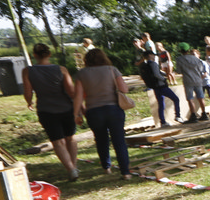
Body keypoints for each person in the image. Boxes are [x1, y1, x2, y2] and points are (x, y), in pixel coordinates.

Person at [22, 43, 80, 180]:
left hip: (46, 110)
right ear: (49, 54)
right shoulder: (62, 69)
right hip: (66, 108)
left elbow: (28, 91)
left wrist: (29, 102)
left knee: (57, 141)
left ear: (34, 55)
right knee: (70, 138)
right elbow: (71, 91)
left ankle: (70, 169)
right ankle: (74, 165)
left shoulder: (27, 71)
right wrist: (78, 107)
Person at [74, 48, 133, 179]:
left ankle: (107, 167)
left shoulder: (81, 74)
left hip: (94, 111)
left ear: (86, 60)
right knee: (119, 140)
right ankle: (125, 172)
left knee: (101, 140)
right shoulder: (112, 70)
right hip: (114, 109)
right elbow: (124, 89)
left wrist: (77, 113)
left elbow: (78, 96)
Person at [139, 48, 182, 126]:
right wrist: (164, 79)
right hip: (161, 85)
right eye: (153, 55)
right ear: (150, 55)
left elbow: (144, 76)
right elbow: (156, 74)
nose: (154, 57)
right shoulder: (153, 64)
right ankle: (178, 116)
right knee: (175, 99)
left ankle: (162, 121)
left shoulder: (143, 66)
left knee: (161, 104)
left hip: (154, 87)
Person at [176, 43, 209, 121]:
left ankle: (193, 115)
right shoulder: (195, 59)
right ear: (188, 50)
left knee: (190, 98)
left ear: (180, 50)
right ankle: (204, 113)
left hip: (188, 81)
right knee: (200, 97)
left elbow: (179, 71)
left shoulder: (179, 59)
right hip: (198, 80)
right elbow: (201, 69)